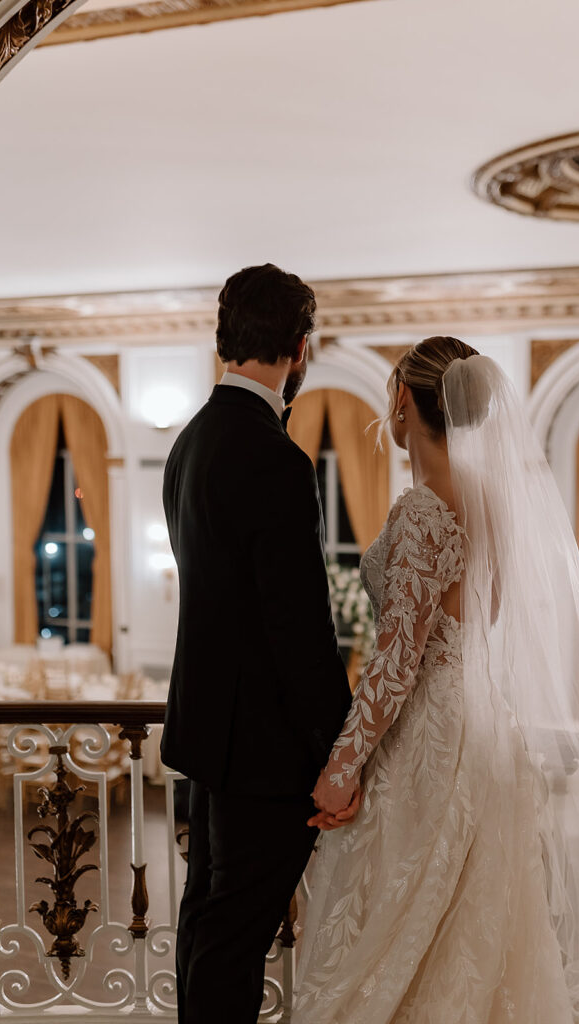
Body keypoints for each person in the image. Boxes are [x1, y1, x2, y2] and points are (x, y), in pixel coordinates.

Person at [295, 337, 579, 1024]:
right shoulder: (491, 500)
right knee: (471, 927)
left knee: (402, 921)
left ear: (400, 401)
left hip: (427, 734)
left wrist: (341, 767)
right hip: (483, 725)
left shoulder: (424, 509)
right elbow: (484, 619)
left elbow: (396, 663)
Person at [161, 263, 356, 1024]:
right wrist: (342, 749)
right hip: (264, 755)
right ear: (299, 348)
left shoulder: (189, 443)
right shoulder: (273, 457)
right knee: (233, 939)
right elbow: (297, 626)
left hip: (207, 738)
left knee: (206, 920)